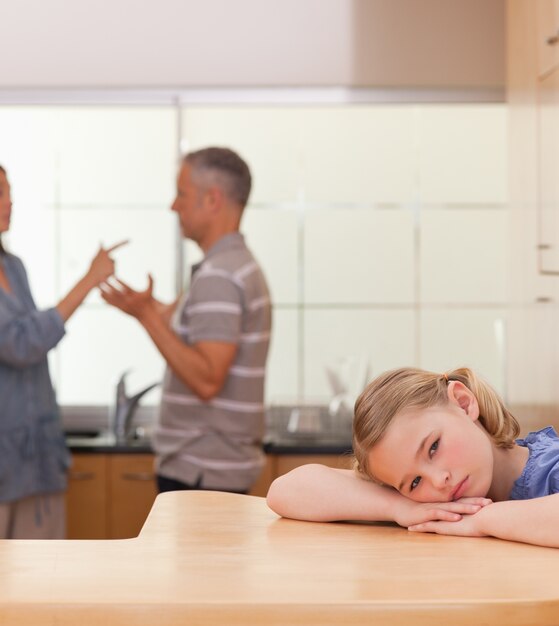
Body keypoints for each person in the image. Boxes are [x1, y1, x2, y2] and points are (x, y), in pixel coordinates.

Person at [101, 147, 272, 495]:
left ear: (212, 199)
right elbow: (202, 332)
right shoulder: (236, 267)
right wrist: (155, 312)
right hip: (213, 470)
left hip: (201, 470)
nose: (173, 206)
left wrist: (148, 317)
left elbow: (207, 379)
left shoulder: (219, 276)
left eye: (181, 194)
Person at [267, 366, 559, 548]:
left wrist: (483, 520)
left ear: (463, 402)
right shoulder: (426, 503)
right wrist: (398, 507)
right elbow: (285, 491)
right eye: (414, 482)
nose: (439, 481)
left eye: (433, 447)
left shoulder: (550, 468)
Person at [0, 164, 125, 538]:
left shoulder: (14, 267)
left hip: (37, 451)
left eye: (9, 191)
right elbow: (22, 344)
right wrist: (88, 280)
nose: (10, 202)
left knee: (43, 580)